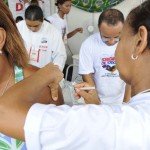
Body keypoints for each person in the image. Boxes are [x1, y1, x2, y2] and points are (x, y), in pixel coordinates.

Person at [1, 0, 150, 149]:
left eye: (120, 39)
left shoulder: (122, 124)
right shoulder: (129, 120)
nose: (113, 45)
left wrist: (46, 72)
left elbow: (4, 113)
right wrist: (97, 106)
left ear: (139, 42)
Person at [0, 2, 64, 150]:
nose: (32, 29)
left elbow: (59, 142)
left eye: (36, 26)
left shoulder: (43, 90)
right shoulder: (20, 27)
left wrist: (51, 72)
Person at [78, 9, 131, 105]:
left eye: (116, 37)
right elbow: (87, 75)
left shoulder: (128, 44)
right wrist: (96, 102)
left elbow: (131, 77)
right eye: (106, 37)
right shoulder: (88, 44)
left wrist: (126, 103)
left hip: (121, 99)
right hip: (97, 99)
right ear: (99, 28)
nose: (111, 41)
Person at [16, 5, 66, 71]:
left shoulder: (53, 31)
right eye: (29, 25)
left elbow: (60, 55)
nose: (32, 28)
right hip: (22, 72)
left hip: (44, 73)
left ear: (42, 19)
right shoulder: (18, 28)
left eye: (36, 26)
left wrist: (55, 71)